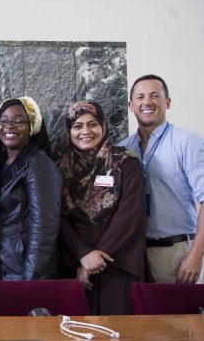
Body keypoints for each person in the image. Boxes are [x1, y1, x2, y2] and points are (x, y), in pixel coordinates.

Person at [121, 74, 204, 284]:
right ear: (131, 105)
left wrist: (196, 256)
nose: (147, 102)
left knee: (181, 308)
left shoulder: (188, 143)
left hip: (177, 254)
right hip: (135, 255)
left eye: (155, 96)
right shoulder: (122, 149)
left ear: (167, 102)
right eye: (140, 97)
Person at [58, 100, 149, 314]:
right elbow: (57, 218)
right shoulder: (59, 169)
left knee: (121, 331)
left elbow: (130, 215)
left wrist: (97, 257)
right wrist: (83, 255)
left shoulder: (125, 162)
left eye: (92, 124)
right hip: (75, 265)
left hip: (118, 263)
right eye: (78, 126)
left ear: (103, 126)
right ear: (69, 131)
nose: (85, 131)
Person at [0, 96, 62, 281]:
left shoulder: (38, 162)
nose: (9, 126)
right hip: (1, 264)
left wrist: (31, 280)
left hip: (24, 269)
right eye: (3, 121)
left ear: (32, 127)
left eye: (19, 121)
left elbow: (44, 228)